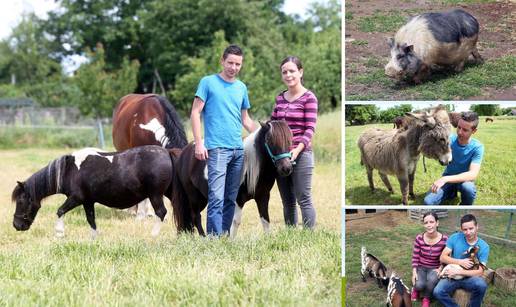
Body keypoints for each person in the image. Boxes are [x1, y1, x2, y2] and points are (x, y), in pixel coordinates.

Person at [190, 44, 255, 236]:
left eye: (238, 64)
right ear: (222, 61)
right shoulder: (208, 82)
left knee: (230, 197)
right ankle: (213, 238)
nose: (233, 67)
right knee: (216, 197)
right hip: (217, 149)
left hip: (238, 150)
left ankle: (224, 236)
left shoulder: (241, 87)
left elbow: (245, 119)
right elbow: (195, 112)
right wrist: (199, 142)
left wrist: (264, 132)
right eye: (230, 63)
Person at [271, 56, 317, 229]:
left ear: (300, 72)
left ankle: (308, 237)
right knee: (287, 201)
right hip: (281, 156)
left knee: (303, 199)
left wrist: (296, 151)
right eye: (284, 72)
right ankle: (290, 236)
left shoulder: (309, 98)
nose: (288, 75)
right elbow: (273, 125)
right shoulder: (280, 98)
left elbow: (310, 130)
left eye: (292, 71)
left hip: (301, 154)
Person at [424, 111, 484, 205]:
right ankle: (451, 192)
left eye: (465, 130)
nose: (460, 132)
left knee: (468, 188)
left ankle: (464, 207)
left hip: (464, 181)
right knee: (428, 202)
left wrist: (444, 179)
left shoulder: (477, 147)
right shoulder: (449, 140)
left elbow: (473, 174)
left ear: (474, 131)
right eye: (459, 127)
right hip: (448, 180)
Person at [433, 214, 489, 307]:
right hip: (452, 276)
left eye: (471, 228)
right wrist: (460, 262)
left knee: (481, 285)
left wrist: (459, 272)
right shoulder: (455, 237)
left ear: (477, 227)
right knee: (438, 292)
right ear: (461, 229)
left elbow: (480, 272)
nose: (468, 232)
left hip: (469, 277)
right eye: (465, 229)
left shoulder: (484, 246)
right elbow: (442, 257)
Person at [411, 212, 448, 307]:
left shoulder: (445, 239)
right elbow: (415, 256)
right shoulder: (419, 238)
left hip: (435, 267)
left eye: (431, 222)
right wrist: (414, 271)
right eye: (426, 222)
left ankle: (426, 298)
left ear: (437, 223)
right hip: (421, 267)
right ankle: (416, 289)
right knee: (419, 285)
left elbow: (446, 257)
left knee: (432, 281)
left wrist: (440, 268)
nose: (429, 225)